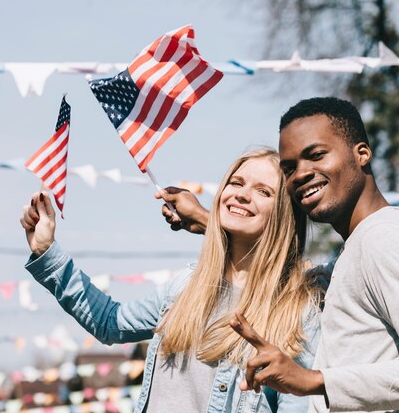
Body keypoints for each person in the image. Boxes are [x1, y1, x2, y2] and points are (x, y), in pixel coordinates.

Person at [158, 98, 399, 413]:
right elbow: (287, 269)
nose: (300, 174)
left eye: (316, 155)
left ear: (362, 154)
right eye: (289, 167)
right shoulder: (355, 249)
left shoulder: (384, 238)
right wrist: (209, 222)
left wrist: (313, 380)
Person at [19, 148, 321, 413]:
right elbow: (110, 322)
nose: (242, 194)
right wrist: (48, 253)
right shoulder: (187, 285)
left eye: (263, 191)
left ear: (285, 214)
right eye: (236, 182)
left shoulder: (296, 310)